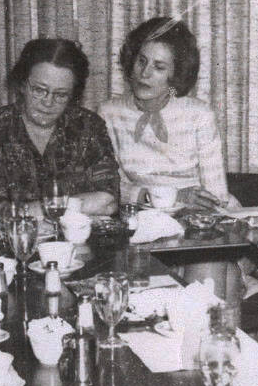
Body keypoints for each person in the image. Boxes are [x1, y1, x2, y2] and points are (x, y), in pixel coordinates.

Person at [100, 17, 244, 300]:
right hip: (141, 223)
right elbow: (111, 187)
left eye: (159, 67)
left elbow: (215, 195)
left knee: (208, 268)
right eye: (141, 61)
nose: (144, 73)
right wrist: (165, 196)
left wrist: (189, 208)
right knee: (209, 282)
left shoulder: (199, 115)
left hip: (201, 223)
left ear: (175, 75)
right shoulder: (109, 113)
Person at [0, 38, 119, 232]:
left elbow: (108, 201)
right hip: (9, 252)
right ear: (23, 85)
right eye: (39, 90)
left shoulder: (87, 127)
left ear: (73, 95)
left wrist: (28, 211)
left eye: (60, 95)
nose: (48, 103)